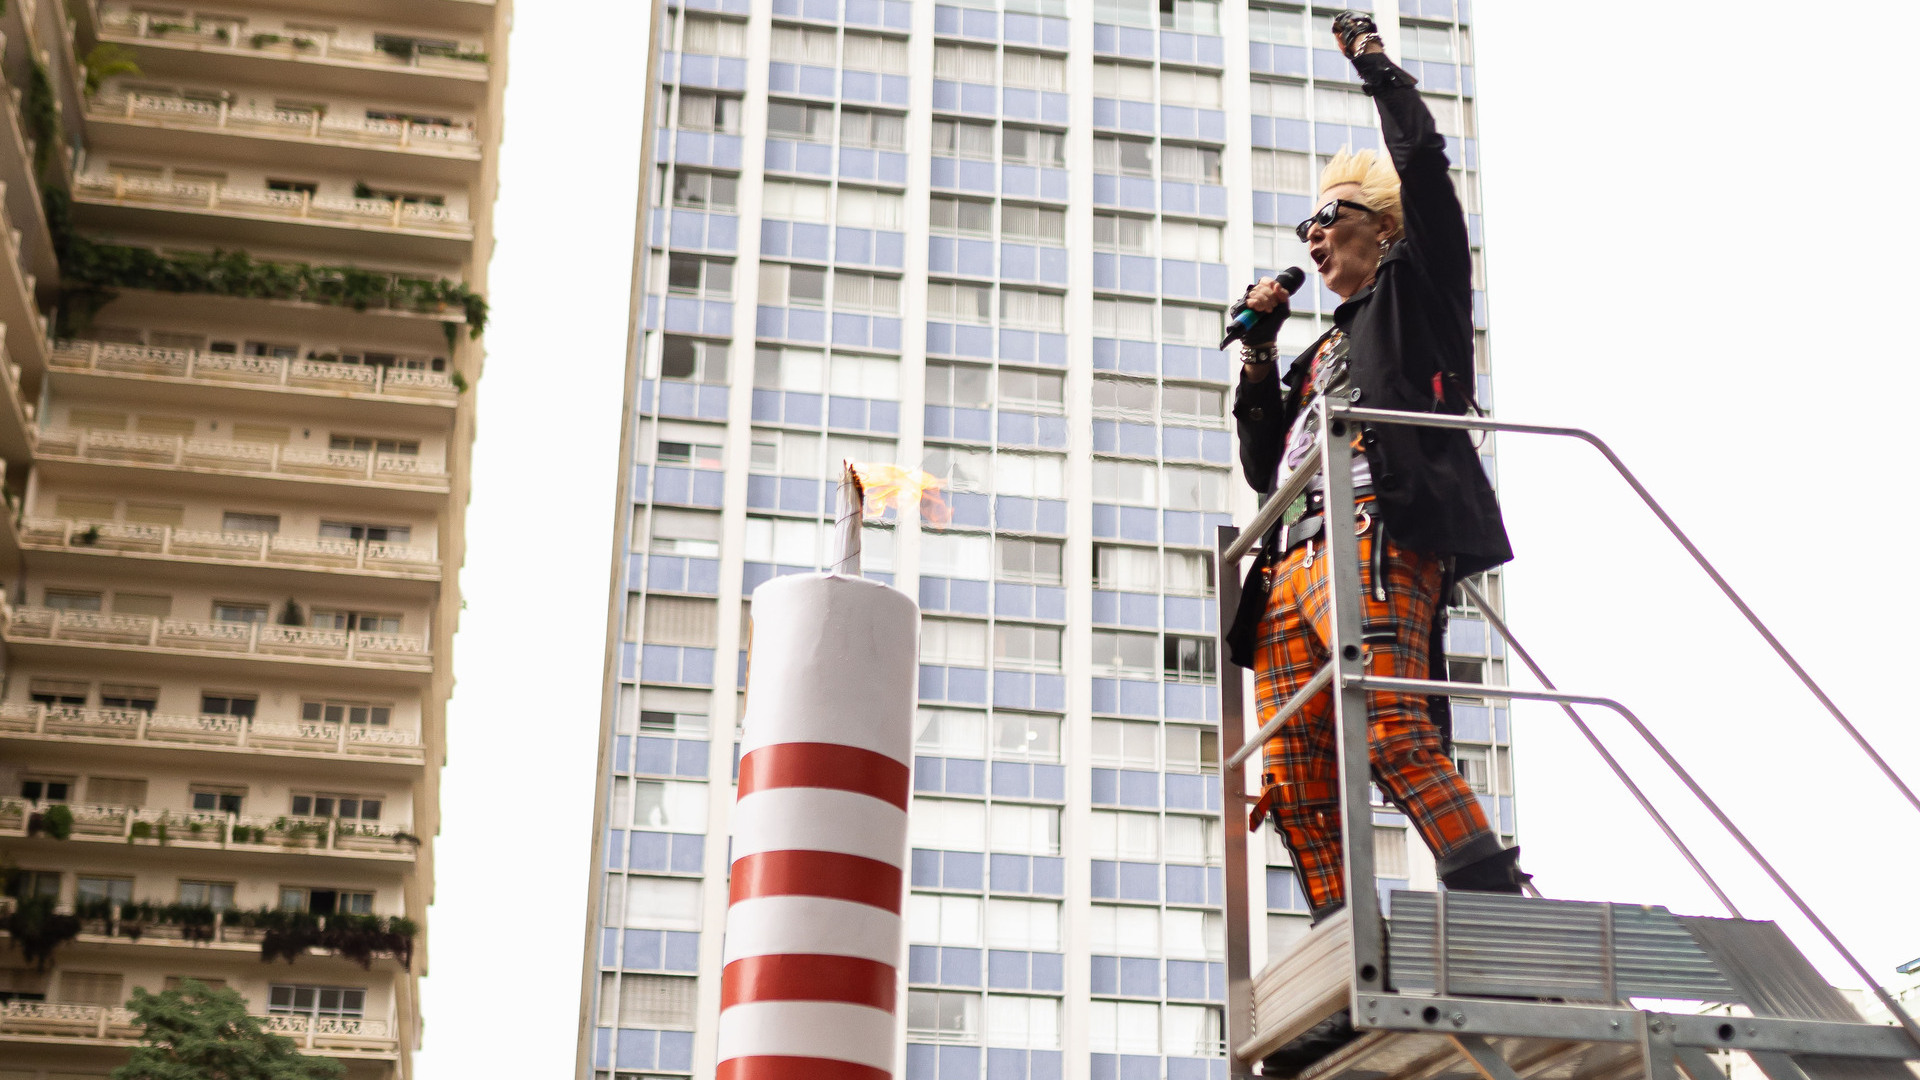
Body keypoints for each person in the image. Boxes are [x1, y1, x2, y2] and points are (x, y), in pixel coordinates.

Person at [1224, 13, 1526, 925]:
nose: (1312, 237)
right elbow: (1258, 466)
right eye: (1306, 225)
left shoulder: (1418, 286)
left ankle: (1497, 918)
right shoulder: (1321, 349)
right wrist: (1258, 351)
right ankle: (1339, 951)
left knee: (1396, 727)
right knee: (1297, 771)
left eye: (1328, 218)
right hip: (1293, 562)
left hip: (1378, 525)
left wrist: (1378, 71)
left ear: (1380, 225)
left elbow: (1426, 169)